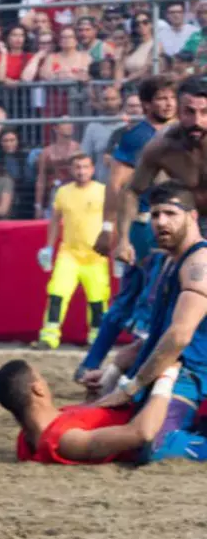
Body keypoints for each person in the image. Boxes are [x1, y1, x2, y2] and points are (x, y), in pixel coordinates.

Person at [84, 182, 207, 462]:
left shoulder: (199, 263)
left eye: (170, 213)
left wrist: (132, 386)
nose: (160, 222)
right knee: (109, 426)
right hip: (170, 369)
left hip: (191, 375)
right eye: (155, 215)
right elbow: (158, 336)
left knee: (154, 446)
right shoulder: (168, 262)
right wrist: (112, 371)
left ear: (192, 216)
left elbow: (179, 336)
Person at [82, 75, 177, 382]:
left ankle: (94, 364)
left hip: (173, 221)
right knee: (152, 293)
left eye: (171, 97)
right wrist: (109, 228)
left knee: (133, 296)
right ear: (147, 104)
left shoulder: (184, 132)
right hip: (145, 224)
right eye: (161, 98)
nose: (168, 103)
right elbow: (117, 185)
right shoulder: (136, 137)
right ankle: (127, 368)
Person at [0, 358, 178, 464]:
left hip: (143, 404)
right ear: (37, 389)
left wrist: (108, 378)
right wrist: (166, 377)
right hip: (161, 423)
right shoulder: (64, 441)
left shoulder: (29, 437)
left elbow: (89, 419)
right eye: (41, 378)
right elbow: (142, 432)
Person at [36, 152, 108, 350]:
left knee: (97, 298)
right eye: (77, 167)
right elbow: (54, 220)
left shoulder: (103, 191)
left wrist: (117, 245)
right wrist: (49, 247)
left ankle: (96, 339)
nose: (81, 171)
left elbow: (113, 220)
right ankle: (49, 337)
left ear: (92, 169)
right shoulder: (63, 192)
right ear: (71, 170)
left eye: (85, 167)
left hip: (96, 255)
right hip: (69, 254)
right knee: (57, 293)